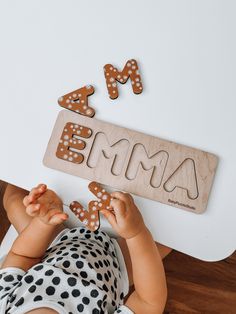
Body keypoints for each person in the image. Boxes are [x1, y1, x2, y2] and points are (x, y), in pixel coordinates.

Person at [0, 183, 171, 314]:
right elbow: (148, 302)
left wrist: (43, 222)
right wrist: (137, 233)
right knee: (174, 235)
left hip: (54, 242)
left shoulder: (5, 305)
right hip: (116, 262)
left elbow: (21, 255)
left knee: (14, 201)